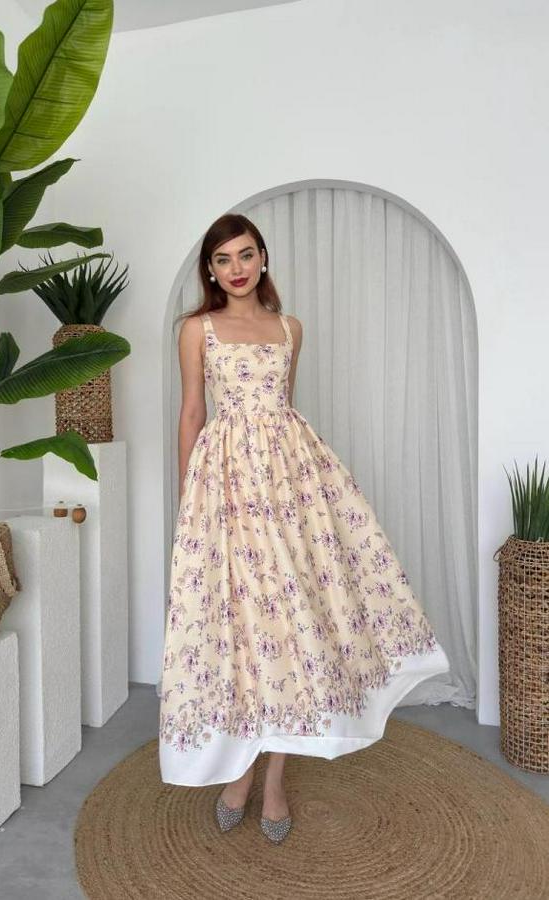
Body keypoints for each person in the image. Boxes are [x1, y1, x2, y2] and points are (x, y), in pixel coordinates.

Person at [158, 213, 450, 844]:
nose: (236, 268)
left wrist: (296, 490)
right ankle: (239, 769)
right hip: (227, 487)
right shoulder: (197, 329)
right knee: (244, 627)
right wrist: (191, 501)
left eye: (246, 255)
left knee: (293, 625)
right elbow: (192, 413)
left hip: (291, 487)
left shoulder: (291, 328)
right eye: (223, 260)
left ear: (263, 257)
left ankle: (273, 780)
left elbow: (283, 407)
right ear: (210, 270)